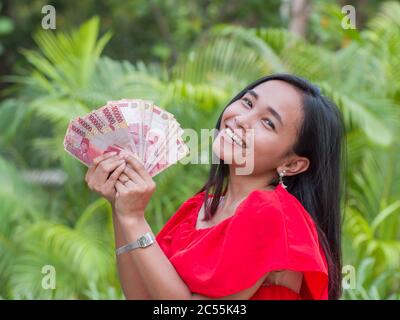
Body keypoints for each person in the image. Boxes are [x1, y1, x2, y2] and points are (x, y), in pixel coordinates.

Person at [84, 74, 346, 300]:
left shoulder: (272, 214)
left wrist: (134, 218)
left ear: (292, 164)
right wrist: (121, 209)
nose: (242, 119)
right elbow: (142, 296)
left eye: (268, 123)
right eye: (247, 102)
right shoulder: (199, 208)